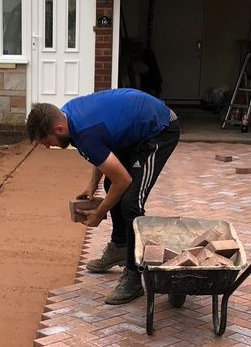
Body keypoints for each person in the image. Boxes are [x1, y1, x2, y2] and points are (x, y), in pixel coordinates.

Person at [26, 88, 181, 304]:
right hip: (136, 124)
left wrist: (99, 213)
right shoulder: (68, 115)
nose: (46, 146)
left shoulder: (84, 133)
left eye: (45, 141)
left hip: (159, 129)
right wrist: (92, 185)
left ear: (59, 128)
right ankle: (120, 246)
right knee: (111, 183)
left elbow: (123, 180)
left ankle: (134, 277)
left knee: (130, 202)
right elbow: (103, 151)